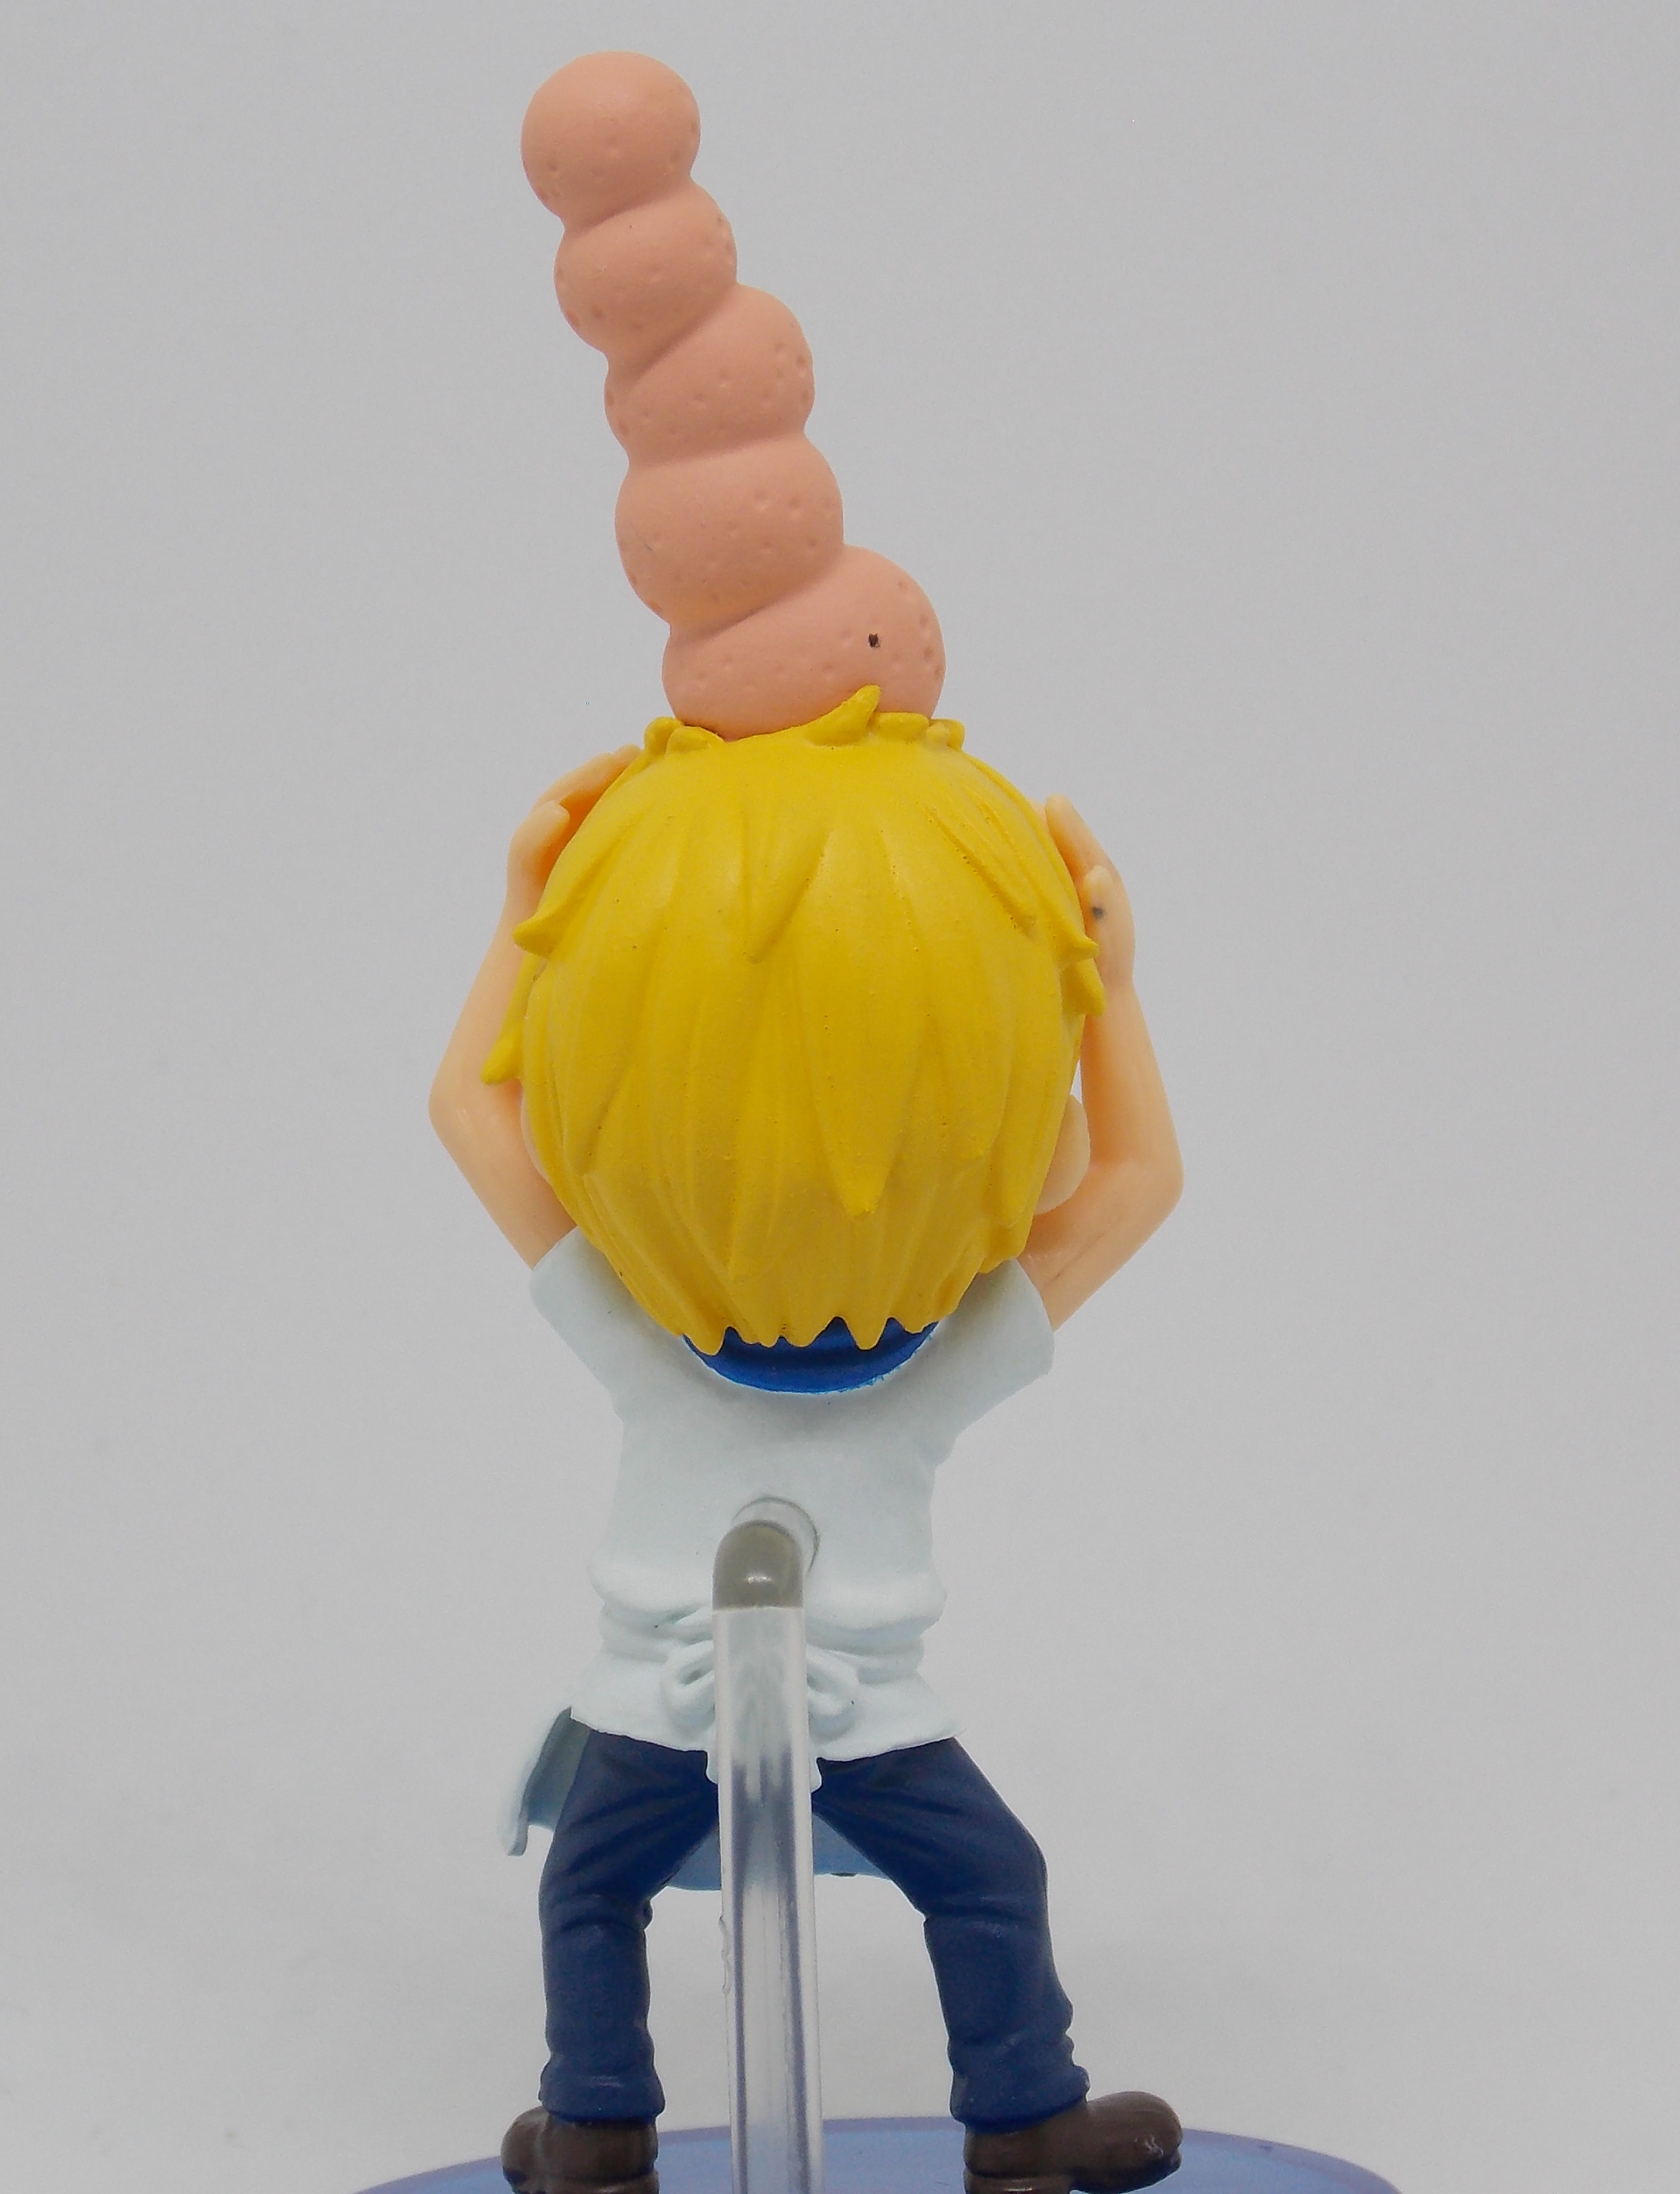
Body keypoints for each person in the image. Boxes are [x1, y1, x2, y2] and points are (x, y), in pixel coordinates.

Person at [431, 686, 1185, 2194]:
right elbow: (1137, 1180)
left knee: (933, 1880)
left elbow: (469, 1108)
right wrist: (1107, 996)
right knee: (604, 1886)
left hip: (852, 1712)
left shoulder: (862, 1352)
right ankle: (603, 2128)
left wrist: (524, 918)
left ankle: (1005, 2123)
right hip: (671, 1702)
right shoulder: (702, 1341)